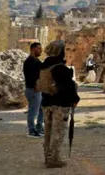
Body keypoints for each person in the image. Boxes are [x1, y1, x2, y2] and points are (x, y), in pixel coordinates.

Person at [38, 40, 80, 168]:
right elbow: (68, 87)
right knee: (58, 132)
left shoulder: (43, 66)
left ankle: (47, 156)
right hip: (60, 105)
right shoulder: (60, 68)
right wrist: (75, 99)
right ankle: (54, 158)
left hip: (46, 103)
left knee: (48, 131)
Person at [23, 42, 45, 138]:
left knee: (41, 109)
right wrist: (35, 85)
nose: (41, 50)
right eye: (39, 48)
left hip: (38, 89)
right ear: (33, 49)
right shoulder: (29, 61)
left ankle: (39, 127)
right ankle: (31, 130)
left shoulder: (36, 61)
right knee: (33, 110)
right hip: (33, 89)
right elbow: (30, 76)